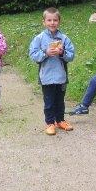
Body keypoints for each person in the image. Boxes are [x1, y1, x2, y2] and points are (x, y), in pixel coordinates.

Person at [29, 7, 76, 135]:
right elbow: (33, 55)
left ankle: (60, 120)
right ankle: (50, 123)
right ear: (44, 22)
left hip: (61, 76)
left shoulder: (64, 38)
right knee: (49, 102)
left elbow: (71, 56)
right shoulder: (39, 38)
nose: (52, 23)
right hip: (46, 77)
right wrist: (45, 53)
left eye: (55, 20)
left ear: (59, 21)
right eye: (49, 20)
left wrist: (62, 53)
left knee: (60, 101)